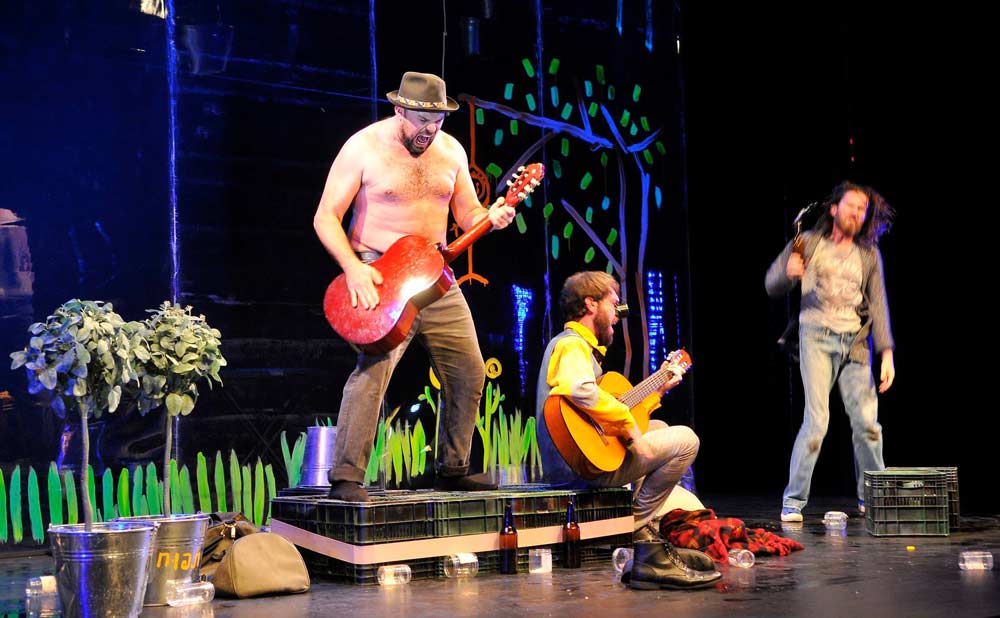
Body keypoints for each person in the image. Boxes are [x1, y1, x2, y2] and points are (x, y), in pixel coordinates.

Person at [313, 71, 517, 501]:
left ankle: (452, 469)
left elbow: (468, 213)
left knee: (469, 370)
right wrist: (353, 269)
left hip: (435, 276)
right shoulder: (364, 147)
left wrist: (492, 217)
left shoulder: (451, 150)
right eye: (422, 120)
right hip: (379, 271)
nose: (430, 130)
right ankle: (346, 477)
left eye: (438, 121)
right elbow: (326, 216)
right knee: (374, 370)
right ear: (399, 110)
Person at [535, 271, 719, 589]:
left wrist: (658, 389)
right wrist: (629, 427)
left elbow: (611, 408)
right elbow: (580, 390)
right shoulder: (572, 345)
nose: (618, 315)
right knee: (687, 440)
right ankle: (633, 526)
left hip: (577, 461)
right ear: (591, 304)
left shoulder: (575, 347)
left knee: (658, 426)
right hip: (579, 466)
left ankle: (638, 527)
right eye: (614, 303)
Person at [765, 181, 896, 522]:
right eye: (851, 205)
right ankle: (793, 501)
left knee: (868, 425)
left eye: (862, 209)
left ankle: (874, 499)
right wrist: (788, 274)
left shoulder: (868, 253)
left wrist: (886, 353)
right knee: (817, 421)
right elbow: (772, 284)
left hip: (855, 343)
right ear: (834, 209)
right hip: (816, 338)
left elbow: (878, 303)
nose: (856, 213)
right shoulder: (808, 242)